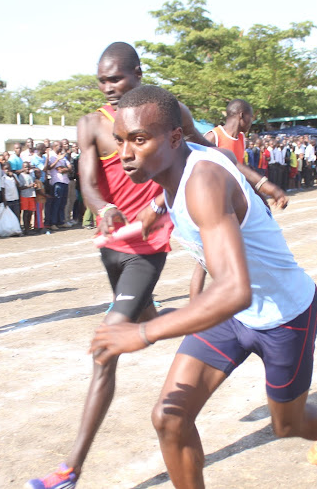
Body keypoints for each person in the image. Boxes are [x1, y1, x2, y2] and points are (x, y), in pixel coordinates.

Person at [26, 41, 286, 489]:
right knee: (147, 316)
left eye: (117, 79)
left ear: (138, 74)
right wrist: (102, 207)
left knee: (107, 347)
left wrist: (259, 181)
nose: (108, 88)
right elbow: (88, 184)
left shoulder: (167, 114)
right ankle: (189, 317)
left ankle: (71, 469)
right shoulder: (90, 124)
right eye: (102, 80)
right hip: (114, 244)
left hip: (147, 247)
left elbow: (210, 153)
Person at [90, 85, 317, 487]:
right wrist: (155, 209)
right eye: (120, 140)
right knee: (169, 417)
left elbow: (234, 290)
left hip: (285, 316)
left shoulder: (203, 182)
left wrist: (142, 332)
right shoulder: (171, 168)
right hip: (230, 318)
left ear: (175, 137)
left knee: (286, 424)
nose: (125, 154)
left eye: (139, 140)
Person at [204, 99, 252, 164]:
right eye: (250, 117)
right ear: (241, 115)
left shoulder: (241, 137)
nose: (251, 121)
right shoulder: (214, 136)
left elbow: (242, 167)